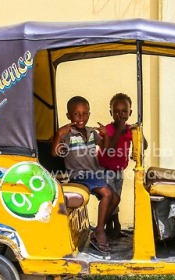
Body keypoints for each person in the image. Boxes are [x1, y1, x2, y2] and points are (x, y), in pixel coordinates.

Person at [51, 95, 120, 252]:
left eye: (85, 113)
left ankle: (97, 229)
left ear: (89, 114)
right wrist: (58, 135)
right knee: (108, 194)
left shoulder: (90, 132)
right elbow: (55, 154)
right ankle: (100, 232)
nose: (81, 117)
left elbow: (106, 148)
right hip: (79, 175)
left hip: (94, 174)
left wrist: (106, 136)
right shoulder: (67, 134)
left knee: (115, 198)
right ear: (69, 115)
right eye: (76, 114)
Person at [97, 93, 134, 239]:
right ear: (111, 113)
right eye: (116, 111)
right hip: (105, 169)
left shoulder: (130, 130)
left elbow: (145, 145)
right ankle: (110, 227)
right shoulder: (110, 129)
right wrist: (120, 129)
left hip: (119, 170)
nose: (120, 115)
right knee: (110, 198)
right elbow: (110, 147)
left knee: (116, 197)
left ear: (130, 113)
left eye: (124, 111)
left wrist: (138, 132)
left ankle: (113, 227)